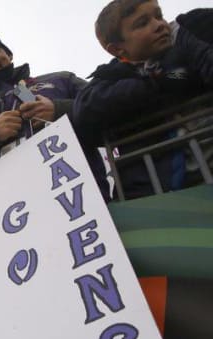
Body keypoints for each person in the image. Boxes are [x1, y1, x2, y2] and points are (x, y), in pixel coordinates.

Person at [0, 30, 109, 199]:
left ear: (8, 54)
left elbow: (109, 106)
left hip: (84, 201)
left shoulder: (61, 80)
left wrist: (59, 110)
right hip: (8, 215)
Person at [72, 1, 213, 199]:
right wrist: (156, 82)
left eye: (158, 15)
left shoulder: (187, 34)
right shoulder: (110, 75)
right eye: (142, 23)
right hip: (159, 198)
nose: (159, 25)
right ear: (118, 49)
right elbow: (85, 112)